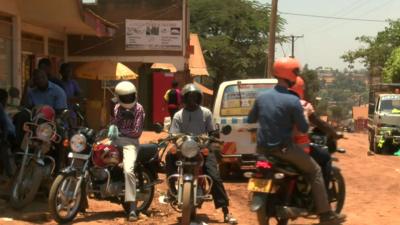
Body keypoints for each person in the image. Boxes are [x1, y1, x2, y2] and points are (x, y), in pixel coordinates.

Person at [247, 57, 346, 225]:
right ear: (290, 74)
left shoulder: (262, 97)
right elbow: (302, 126)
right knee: (314, 170)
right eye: (296, 72)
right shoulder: (293, 100)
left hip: (262, 151)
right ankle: (325, 214)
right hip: (284, 150)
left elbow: (251, 119)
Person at [167, 83, 237, 224]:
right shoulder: (178, 115)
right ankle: (172, 190)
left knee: (214, 176)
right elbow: (173, 133)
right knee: (169, 156)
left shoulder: (206, 112)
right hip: (184, 147)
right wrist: (175, 142)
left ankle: (226, 211)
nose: (192, 100)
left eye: (195, 97)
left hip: (201, 147)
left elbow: (211, 131)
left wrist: (213, 136)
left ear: (199, 98)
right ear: (184, 99)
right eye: (189, 97)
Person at [289, 76, 342, 188]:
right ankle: (324, 192)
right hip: (298, 149)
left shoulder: (277, 102)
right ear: (300, 89)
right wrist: (334, 133)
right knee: (325, 157)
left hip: (276, 148)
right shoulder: (304, 105)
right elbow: (319, 123)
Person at [110, 81, 145, 221]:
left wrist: (119, 131)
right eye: (124, 97)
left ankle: (132, 208)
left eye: (130, 96)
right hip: (115, 140)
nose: (128, 99)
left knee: (129, 170)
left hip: (131, 143)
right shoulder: (117, 107)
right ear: (119, 97)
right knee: (96, 156)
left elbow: (137, 132)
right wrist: (112, 128)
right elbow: (113, 123)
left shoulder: (139, 109)